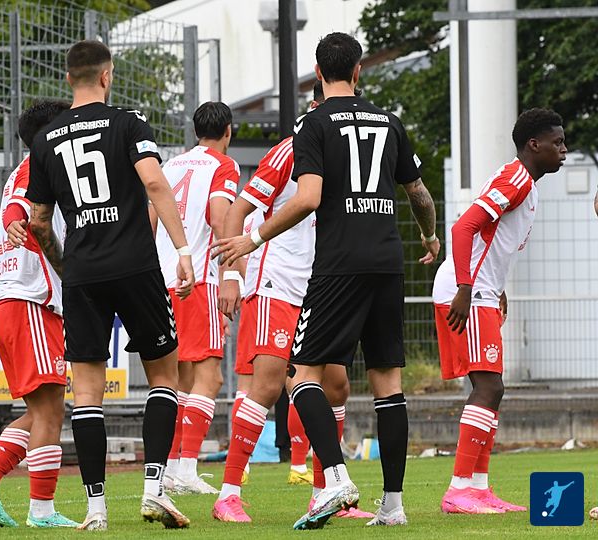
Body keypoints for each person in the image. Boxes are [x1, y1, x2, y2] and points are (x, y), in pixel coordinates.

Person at [214, 32, 439, 529]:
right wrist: (430, 236)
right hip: (378, 263)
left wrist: (251, 241)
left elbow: (309, 197)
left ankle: (333, 480)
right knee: (386, 386)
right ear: (359, 71)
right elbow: (420, 194)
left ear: (317, 73)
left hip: (337, 266)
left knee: (303, 375)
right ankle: (390, 504)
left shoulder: (312, 125)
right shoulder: (389, 121)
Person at [26, 40, 195, 530]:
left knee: (87, 392)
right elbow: (155, 184)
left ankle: (95, 509)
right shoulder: (127, 122)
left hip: (83, 272)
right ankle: (154, 489)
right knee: (163, 376)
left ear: (68, 79)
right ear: (107, 75)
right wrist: (183, 250)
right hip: (136, 266)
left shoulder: (46, 139)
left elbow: (38, 221)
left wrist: (66, 268)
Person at [434, 108, 565, 515]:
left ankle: (478, 488)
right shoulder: (516, 180)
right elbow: (463, 228)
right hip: (468, 292)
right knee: (488, 387)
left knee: (494, 388)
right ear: (534, 145)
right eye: (558, 142)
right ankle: (458, 490)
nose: (564, 149)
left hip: (483, 292)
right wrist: (466, 287)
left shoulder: (529, 186)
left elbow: (493, 243)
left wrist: (497, 287)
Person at [0, 99, 79, 529]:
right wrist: (15, 221)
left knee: (42, 411)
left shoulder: (27, 169)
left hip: (16, 303)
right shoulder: (38, 166)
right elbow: (19, 209)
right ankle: (42, 511)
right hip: (31, 303)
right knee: (49, 413)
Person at [154, 101, 238, 495]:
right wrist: (230, 276)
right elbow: (221, 219)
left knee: (179, 379)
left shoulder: (170, 165)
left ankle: (171, 469)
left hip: (163, 280)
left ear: (195, 130)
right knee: (210, 376)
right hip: (197, 279)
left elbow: (150, 221)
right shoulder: (224, 165)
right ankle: (187, 469)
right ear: (228, 131)